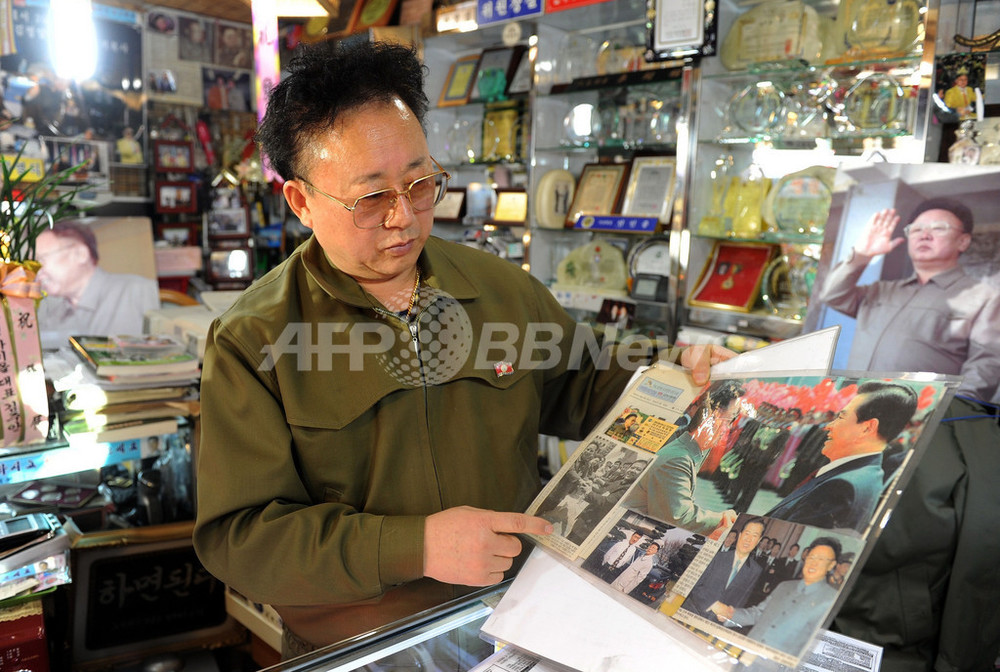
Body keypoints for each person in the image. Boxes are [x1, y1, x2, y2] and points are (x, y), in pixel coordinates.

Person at [191, 39, 733, 658]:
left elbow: (588, 384)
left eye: (420, 184)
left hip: (515, 625)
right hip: (362, 649)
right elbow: (241, 538)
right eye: (372, 198)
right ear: (301, 201)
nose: (403, 217)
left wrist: (680, 375)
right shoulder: (255, 339)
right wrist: (415, 546)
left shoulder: (501, 291)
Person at [820, 200, 1000, 404]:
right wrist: (861, 255)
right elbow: (832, 295)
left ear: (963, 241)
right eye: (916, 229)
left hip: (917, 416)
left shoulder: (984, 298)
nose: (924, 235)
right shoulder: (881, 291)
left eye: (939, 228)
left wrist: (950, 411)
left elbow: (985, 367)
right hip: (849, 407)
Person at [762, 381, 918, 533]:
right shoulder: (866, 473)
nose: (829, 426)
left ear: (867, 428)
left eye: (841, 417)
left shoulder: (841, 487)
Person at [621, 379, 744, 536]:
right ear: (712, 415)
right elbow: (678, 516)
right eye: (730, 419)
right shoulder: (678, 459)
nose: (729, 428)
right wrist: (721, 518)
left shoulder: (696, 448)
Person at [35, 222, 160, 350]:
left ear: (80, 254)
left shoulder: (136, 292)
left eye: (41, 260)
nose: (35, 271)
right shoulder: (55, 315)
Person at [710, 537, 841, 656]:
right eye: (811, 557)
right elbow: (758, 613)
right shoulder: (784, 586)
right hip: (748, 654)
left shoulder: (832, 600)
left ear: (831, 565)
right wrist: (729, 614)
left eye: (821, 559)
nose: (814, 563)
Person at [682, 517, 766, 617]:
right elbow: (694, 584)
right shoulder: (716, 556)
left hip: (718, 621)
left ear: (759, 540)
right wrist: (712, 604)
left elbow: (742, 600)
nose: (748, 539)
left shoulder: (755, 570)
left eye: (754, 536)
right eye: (747, 533)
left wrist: (730, 615)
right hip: (693, 610)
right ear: (740, 535)